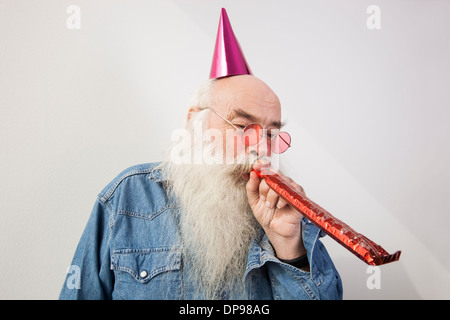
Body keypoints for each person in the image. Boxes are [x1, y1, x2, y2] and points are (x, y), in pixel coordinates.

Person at [59, 8, 342, 300]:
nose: (261, 148)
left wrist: (289, 245)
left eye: (271, 134)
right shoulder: (127, 197)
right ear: (195, 122)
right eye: (243, 126)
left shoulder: (283, 210)